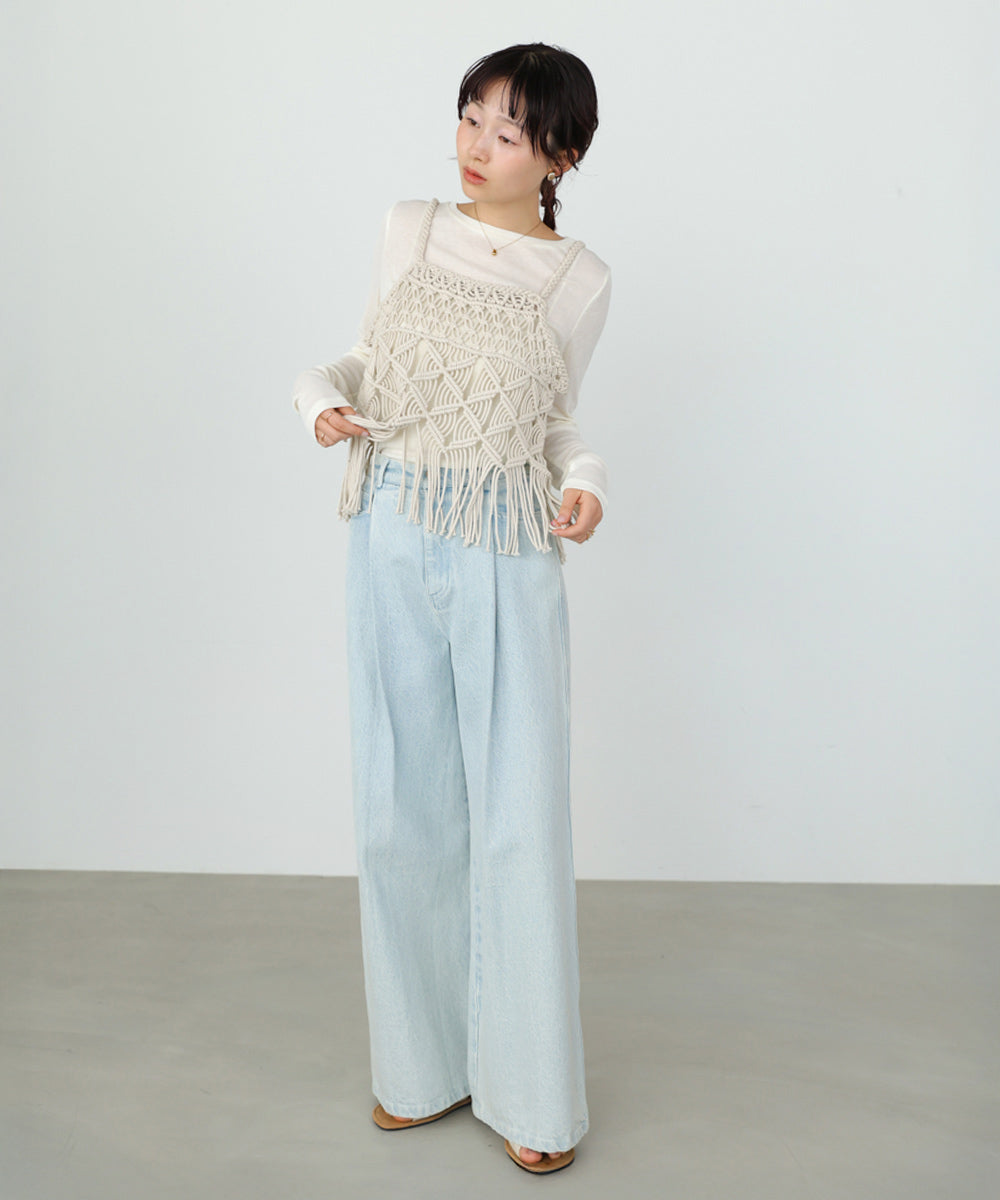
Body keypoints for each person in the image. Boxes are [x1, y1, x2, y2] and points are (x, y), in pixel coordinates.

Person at [292, 42, 611, 1176]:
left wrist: (587, 482)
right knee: (400, 802)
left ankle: (532, 1094)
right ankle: (420, 1068)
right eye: (469, 117)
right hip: (391, 524)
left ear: (559, 155)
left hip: (506, 543)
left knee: (519, 812)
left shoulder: (579, 280)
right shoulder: (409, 228)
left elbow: (556, 420)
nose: (475, 146)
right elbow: (359, 360)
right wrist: (317, 399)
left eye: (507, 131)